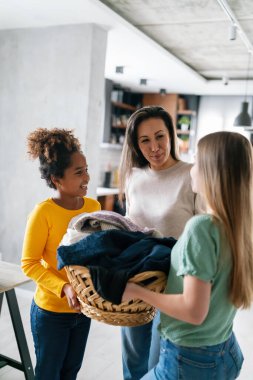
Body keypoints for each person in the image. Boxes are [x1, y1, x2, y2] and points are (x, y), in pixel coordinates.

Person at [122, 131, 253, 380]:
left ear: (212, 172)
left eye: (196, 161)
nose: (191, 169)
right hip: (225, 350)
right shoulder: (240, 226)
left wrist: (137, 292)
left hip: (189, 361)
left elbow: (194, 311)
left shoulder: (201, 228)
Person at [118, 106, 203, 380]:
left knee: (158, 362)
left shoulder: (191, 175)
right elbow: (128, 228)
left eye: (160, 136)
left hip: (174, 285)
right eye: (145, 140)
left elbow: (202, 233)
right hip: (136, 278)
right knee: (132, 361)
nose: (154, 147)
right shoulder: (133, 177)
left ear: (171, 136)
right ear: (135, 144)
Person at [21, 128, 100, 380]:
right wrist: (64, 288)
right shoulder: (43, 213)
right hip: (50, 313)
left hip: (83, 310)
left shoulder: (93, 207)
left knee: (70, 372)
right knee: (48, 374)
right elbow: (30, 263)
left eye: (86, 169)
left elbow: (95, 252)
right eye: (79, 172)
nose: (86, 177)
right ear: (57, 179)